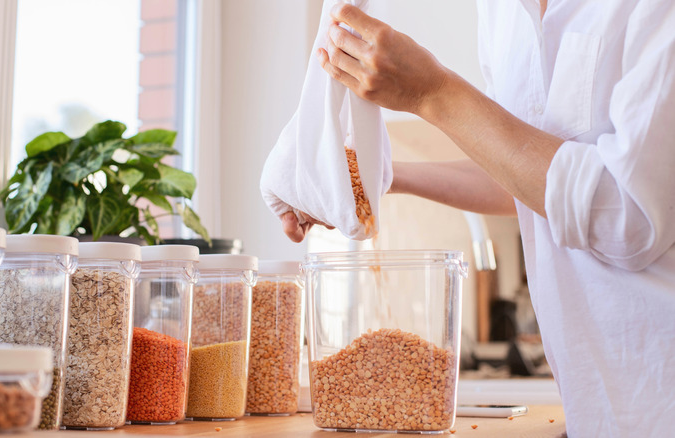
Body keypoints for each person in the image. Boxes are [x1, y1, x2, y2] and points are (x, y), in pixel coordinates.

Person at [279, 1, 675, 437]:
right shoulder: (500, 11)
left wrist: (433, 93)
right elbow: (521, 177)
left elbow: (628, 212)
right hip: (595, 413)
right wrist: (377, 177)